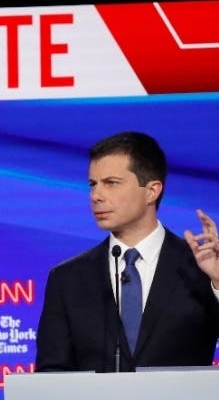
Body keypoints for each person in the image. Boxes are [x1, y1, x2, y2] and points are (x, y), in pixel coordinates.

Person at [35, 130, 219, 372]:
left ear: (152, 191)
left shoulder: (200, 267)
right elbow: (51, 373)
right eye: (93, 184)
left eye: (111, 183)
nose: (96, 196)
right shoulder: (68, 278)